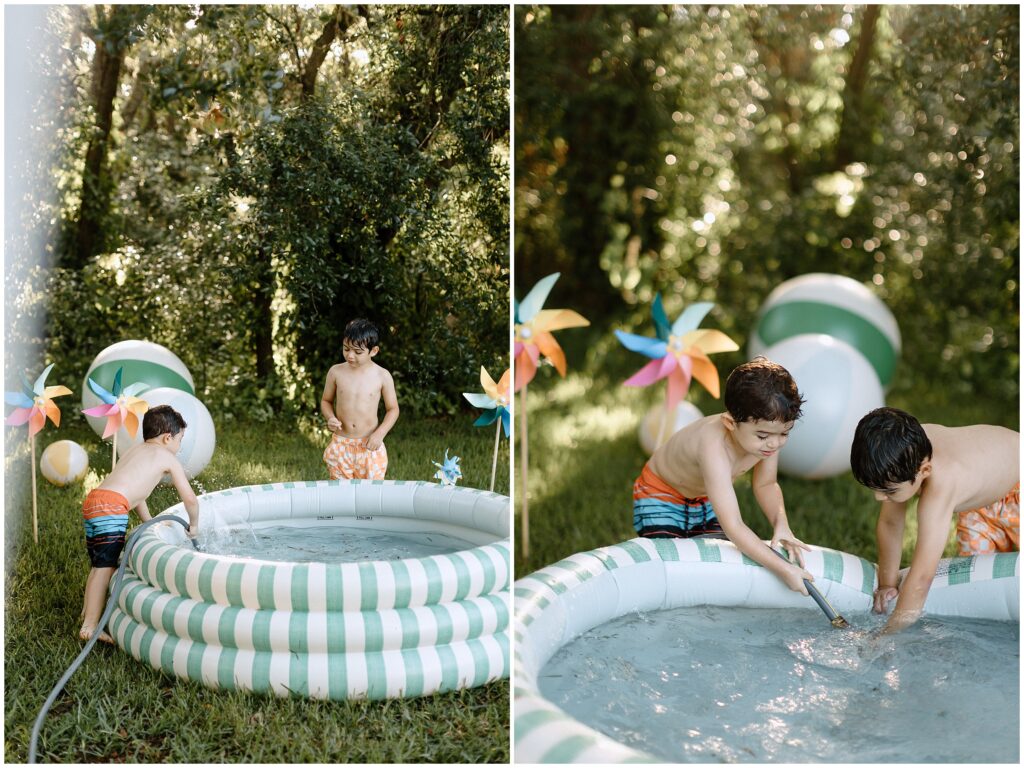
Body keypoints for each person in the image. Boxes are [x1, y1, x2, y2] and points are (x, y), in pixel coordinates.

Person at [633, 357, 813, 595]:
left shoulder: (768, 440)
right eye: (762, 435)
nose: (774, 443)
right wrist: (784, 569)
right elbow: (734, 526)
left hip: (703, 495)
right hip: (660, 493)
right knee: (670, 566)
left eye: (784, 434)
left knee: (715, 559)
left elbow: (766, 484)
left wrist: (781, 524)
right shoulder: (713, 445)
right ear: (730, 423)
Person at [850, 407, 1019, 632]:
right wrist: (886, 586)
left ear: (925, 471)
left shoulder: (941, 484)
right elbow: (891, 524)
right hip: (982, 506)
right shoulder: (903, 453)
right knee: (980, 585)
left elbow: (922, 579)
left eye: (888, 491)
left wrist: (888, 635)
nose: (878, 497)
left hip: (1018, 489)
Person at [80, 404, 199, 643]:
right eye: (180, 439)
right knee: (105, 567)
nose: (179, 446)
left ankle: (87, 612)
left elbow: (138, 496)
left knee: (100, 564)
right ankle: (90, 626)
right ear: (168, 438)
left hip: (95, 500)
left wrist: (150, 522)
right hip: (112, 507)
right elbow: (190, 499)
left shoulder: (135, 450)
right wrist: (193, 524)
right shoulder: (168, 457)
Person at [320, 318, 399, 480]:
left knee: (371, 495)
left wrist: (380, 434)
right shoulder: (336, 372)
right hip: (342, 443)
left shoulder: (382, 376)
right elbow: (326, 401)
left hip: (369, 444)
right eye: (346, 349)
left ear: (374, 351)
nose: (350, 355)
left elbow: (393, 409)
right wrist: (330, 418)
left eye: (357, 352)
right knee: (340, 493)